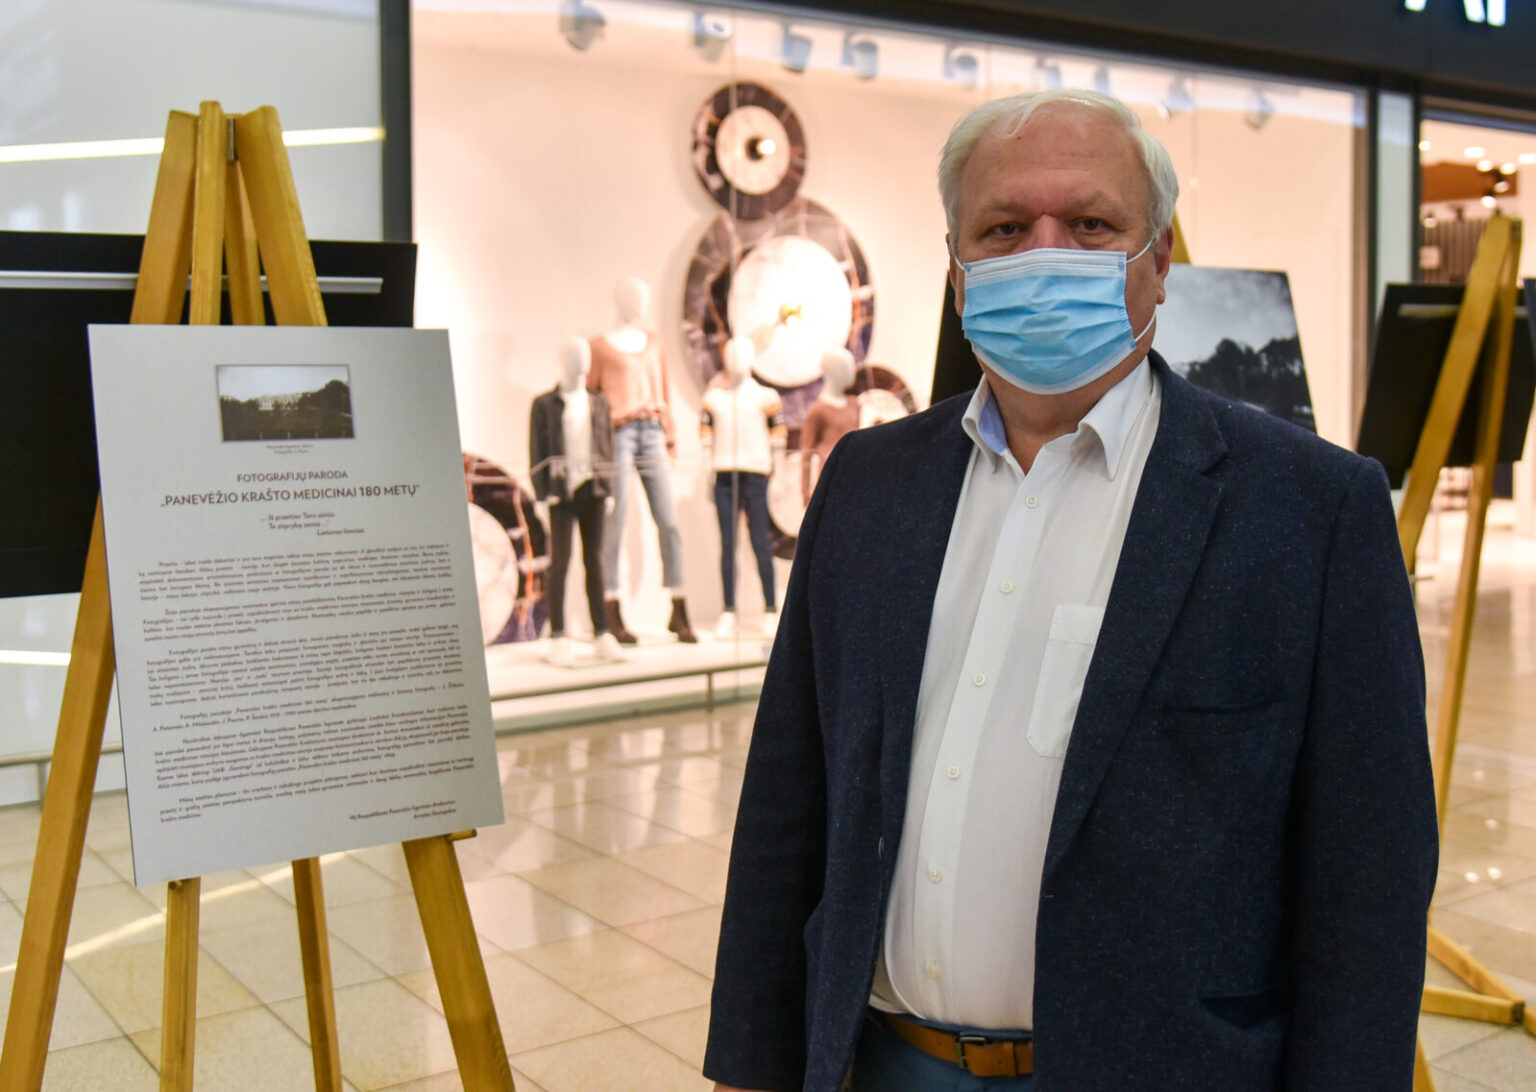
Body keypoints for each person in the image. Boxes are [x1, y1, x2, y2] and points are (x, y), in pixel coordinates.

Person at [704, 88, 1437, 1092]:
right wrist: (749, 1065)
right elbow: (789, 800)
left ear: (1159, 259)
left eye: (1090, 225)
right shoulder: (869, 485)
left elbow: (1369, 882)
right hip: (885, 1063)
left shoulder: (1310, 512)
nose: (1044, 257)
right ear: (957, 269)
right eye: (1004, 229)